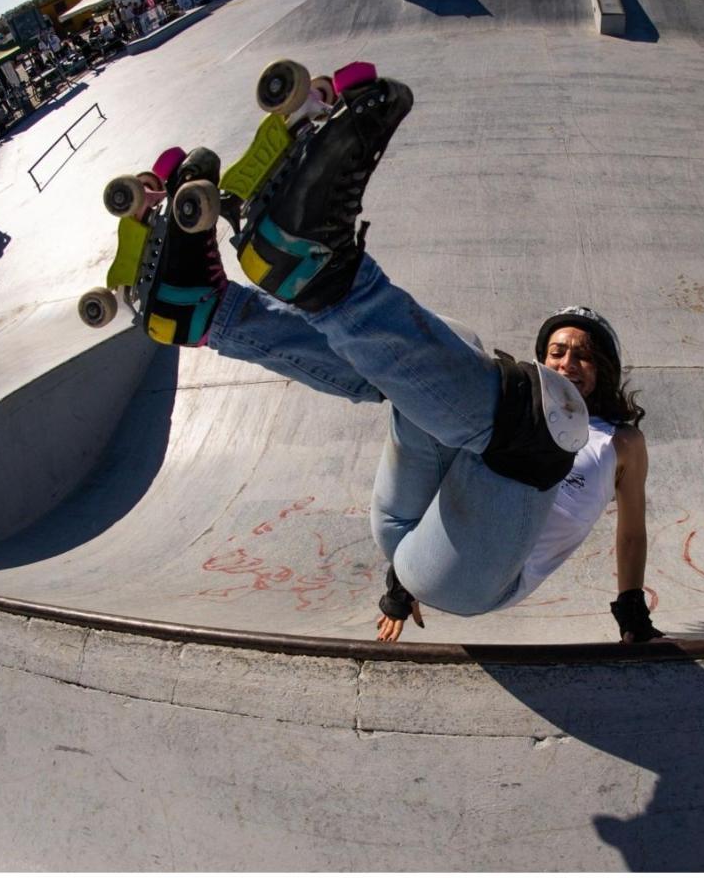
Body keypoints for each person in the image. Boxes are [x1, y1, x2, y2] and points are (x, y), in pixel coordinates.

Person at [123, 64, 659, 646]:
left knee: (549, 423)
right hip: (404, 518)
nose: (565, 363)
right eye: (556, 352)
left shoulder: (621, 443)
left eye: (581, 357)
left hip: (476, 577)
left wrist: (631, 611)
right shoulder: (512, 399)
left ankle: (320, 280)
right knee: (461, 349)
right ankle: (211, 311)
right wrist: (397, 590)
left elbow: (630, 532)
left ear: (604, 371)